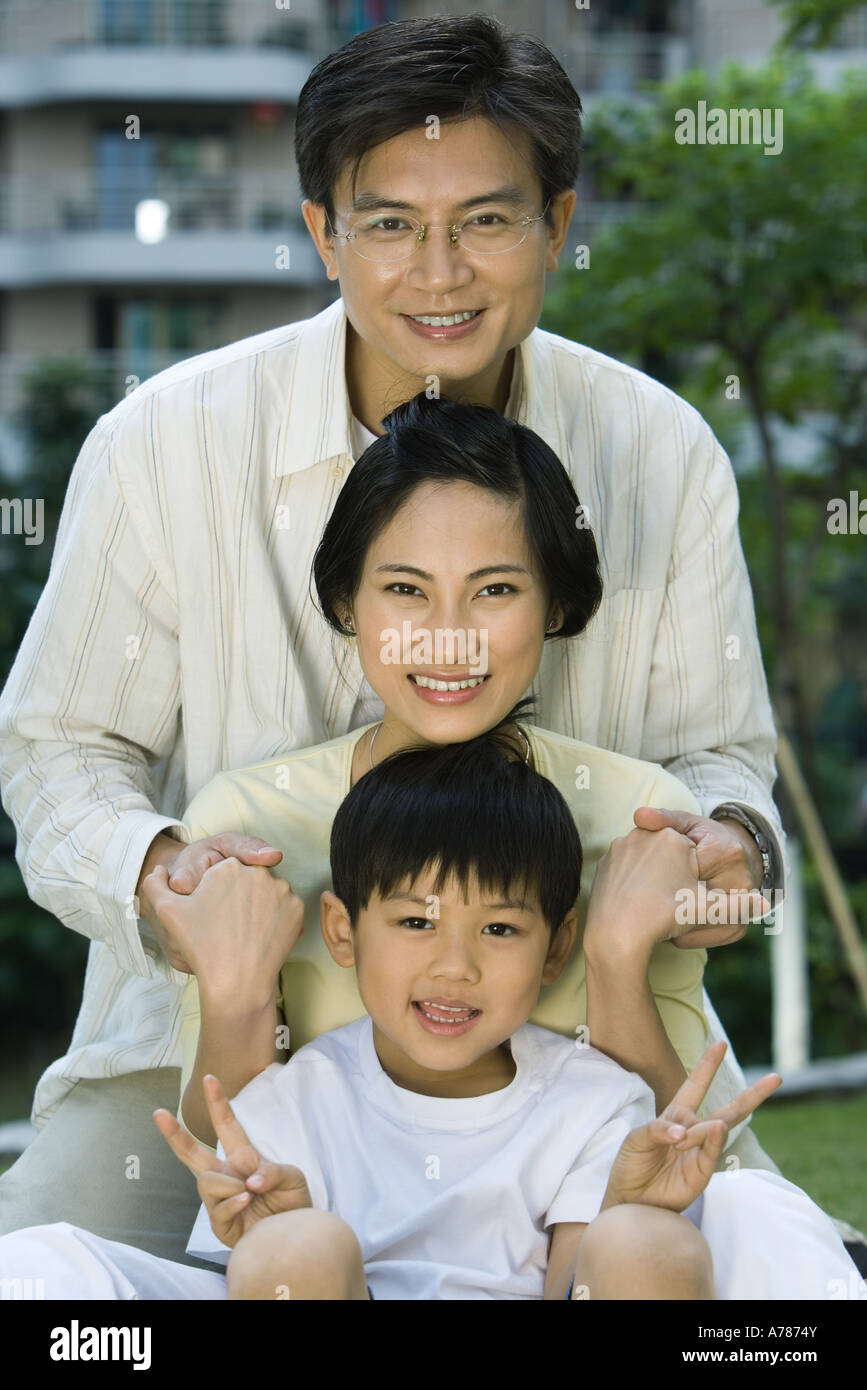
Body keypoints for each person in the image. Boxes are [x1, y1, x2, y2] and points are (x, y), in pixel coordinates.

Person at [0, 14, 787, 1262]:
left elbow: (724, 765)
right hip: (204, 1031)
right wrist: (169, 888)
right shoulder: (165, 443)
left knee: (770, 1272)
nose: (439, 273)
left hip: (586, 1046)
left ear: (557, 225)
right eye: (387, 224)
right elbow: (56, 749)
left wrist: (721, 860)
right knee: (46, 1274)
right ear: (322, 232)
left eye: (485, 219)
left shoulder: (661, 451)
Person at [0, 734, 855, 1300]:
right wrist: (272, 1236)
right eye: (414, 922)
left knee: (652, 1243)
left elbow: (586, 1285)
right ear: (342, 930)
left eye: (499, 927)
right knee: (67, 1265)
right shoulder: (295, 1096)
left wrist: (647, 1214)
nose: (455, 964)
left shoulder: (597, 1102)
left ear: (556, 949)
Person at [167, 393, 761, 1162]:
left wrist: (615, 953)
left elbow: (665, 1145)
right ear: (347, 602)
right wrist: (239, 987)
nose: (448, 638)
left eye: (495, 590)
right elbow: (221, 1152)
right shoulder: (250, 825)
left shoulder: (639, 816)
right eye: (406, 590)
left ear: (554, 606)